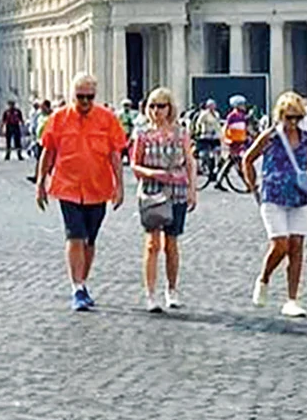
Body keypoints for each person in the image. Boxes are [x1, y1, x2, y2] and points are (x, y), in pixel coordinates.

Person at [34, 73, 127, 311]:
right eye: (80, 97)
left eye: (89, 97)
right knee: (74, 235)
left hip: (98, 187)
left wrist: (120, 185)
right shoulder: (59, 119)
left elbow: (115, 155)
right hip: (68, 187)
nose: (85, 102)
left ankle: (83, 281)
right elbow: (48, 152)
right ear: (72, 95)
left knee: (90, 239)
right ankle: (77, 287)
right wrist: (40, 182)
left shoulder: (107, 119)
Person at [241, 91, 307, 318]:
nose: (293, 123)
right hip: (273, 195)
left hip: (299, 198)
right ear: (280, 115)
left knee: (296, 246)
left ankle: (292, 299)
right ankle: (264, 278)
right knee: (280, 244)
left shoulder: (306, 138)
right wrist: (253, 184)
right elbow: (248, 159)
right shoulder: (270, 136)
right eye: (289, 117)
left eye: (297, 118)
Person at [128, 88, 196, 312]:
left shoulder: (181, 133)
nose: (156, 111)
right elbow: (134, 166)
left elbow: (189, 161)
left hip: (176, 190)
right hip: (152, 192)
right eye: (153, 106)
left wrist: (192, 189)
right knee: (152, 244)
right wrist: (152, 173)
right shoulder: (142, 134)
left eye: (161, 106)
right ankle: (150, 293)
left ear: (170, 108)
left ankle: (172, 289)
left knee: (172, 243)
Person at [189, 100, 222, 181]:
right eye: (211, 105)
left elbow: (218, 124)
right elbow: (198, 123)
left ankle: (215, 169)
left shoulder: (217, 114)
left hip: (215, 137)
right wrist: (199, 131)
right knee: (207, 154)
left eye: (214, 105)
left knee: (218, 154)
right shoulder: (204, 114)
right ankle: (207, 167)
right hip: (206, 136)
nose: (213, 107)